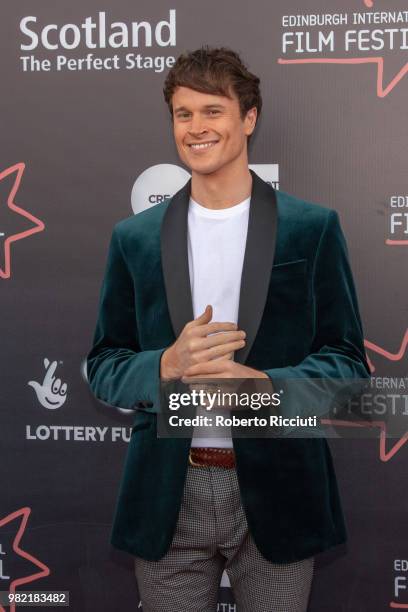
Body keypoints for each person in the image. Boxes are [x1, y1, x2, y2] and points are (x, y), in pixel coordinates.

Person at [86, 46, 370, 612]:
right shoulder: (135, 238)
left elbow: (349, 368)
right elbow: (103, 365)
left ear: (249, 117)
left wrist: (264, 386)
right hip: (170, 491)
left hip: (279, 484)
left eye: (213, 111)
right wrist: (165, 365)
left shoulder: (310, 229)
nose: (196, 128)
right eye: (183, 113)